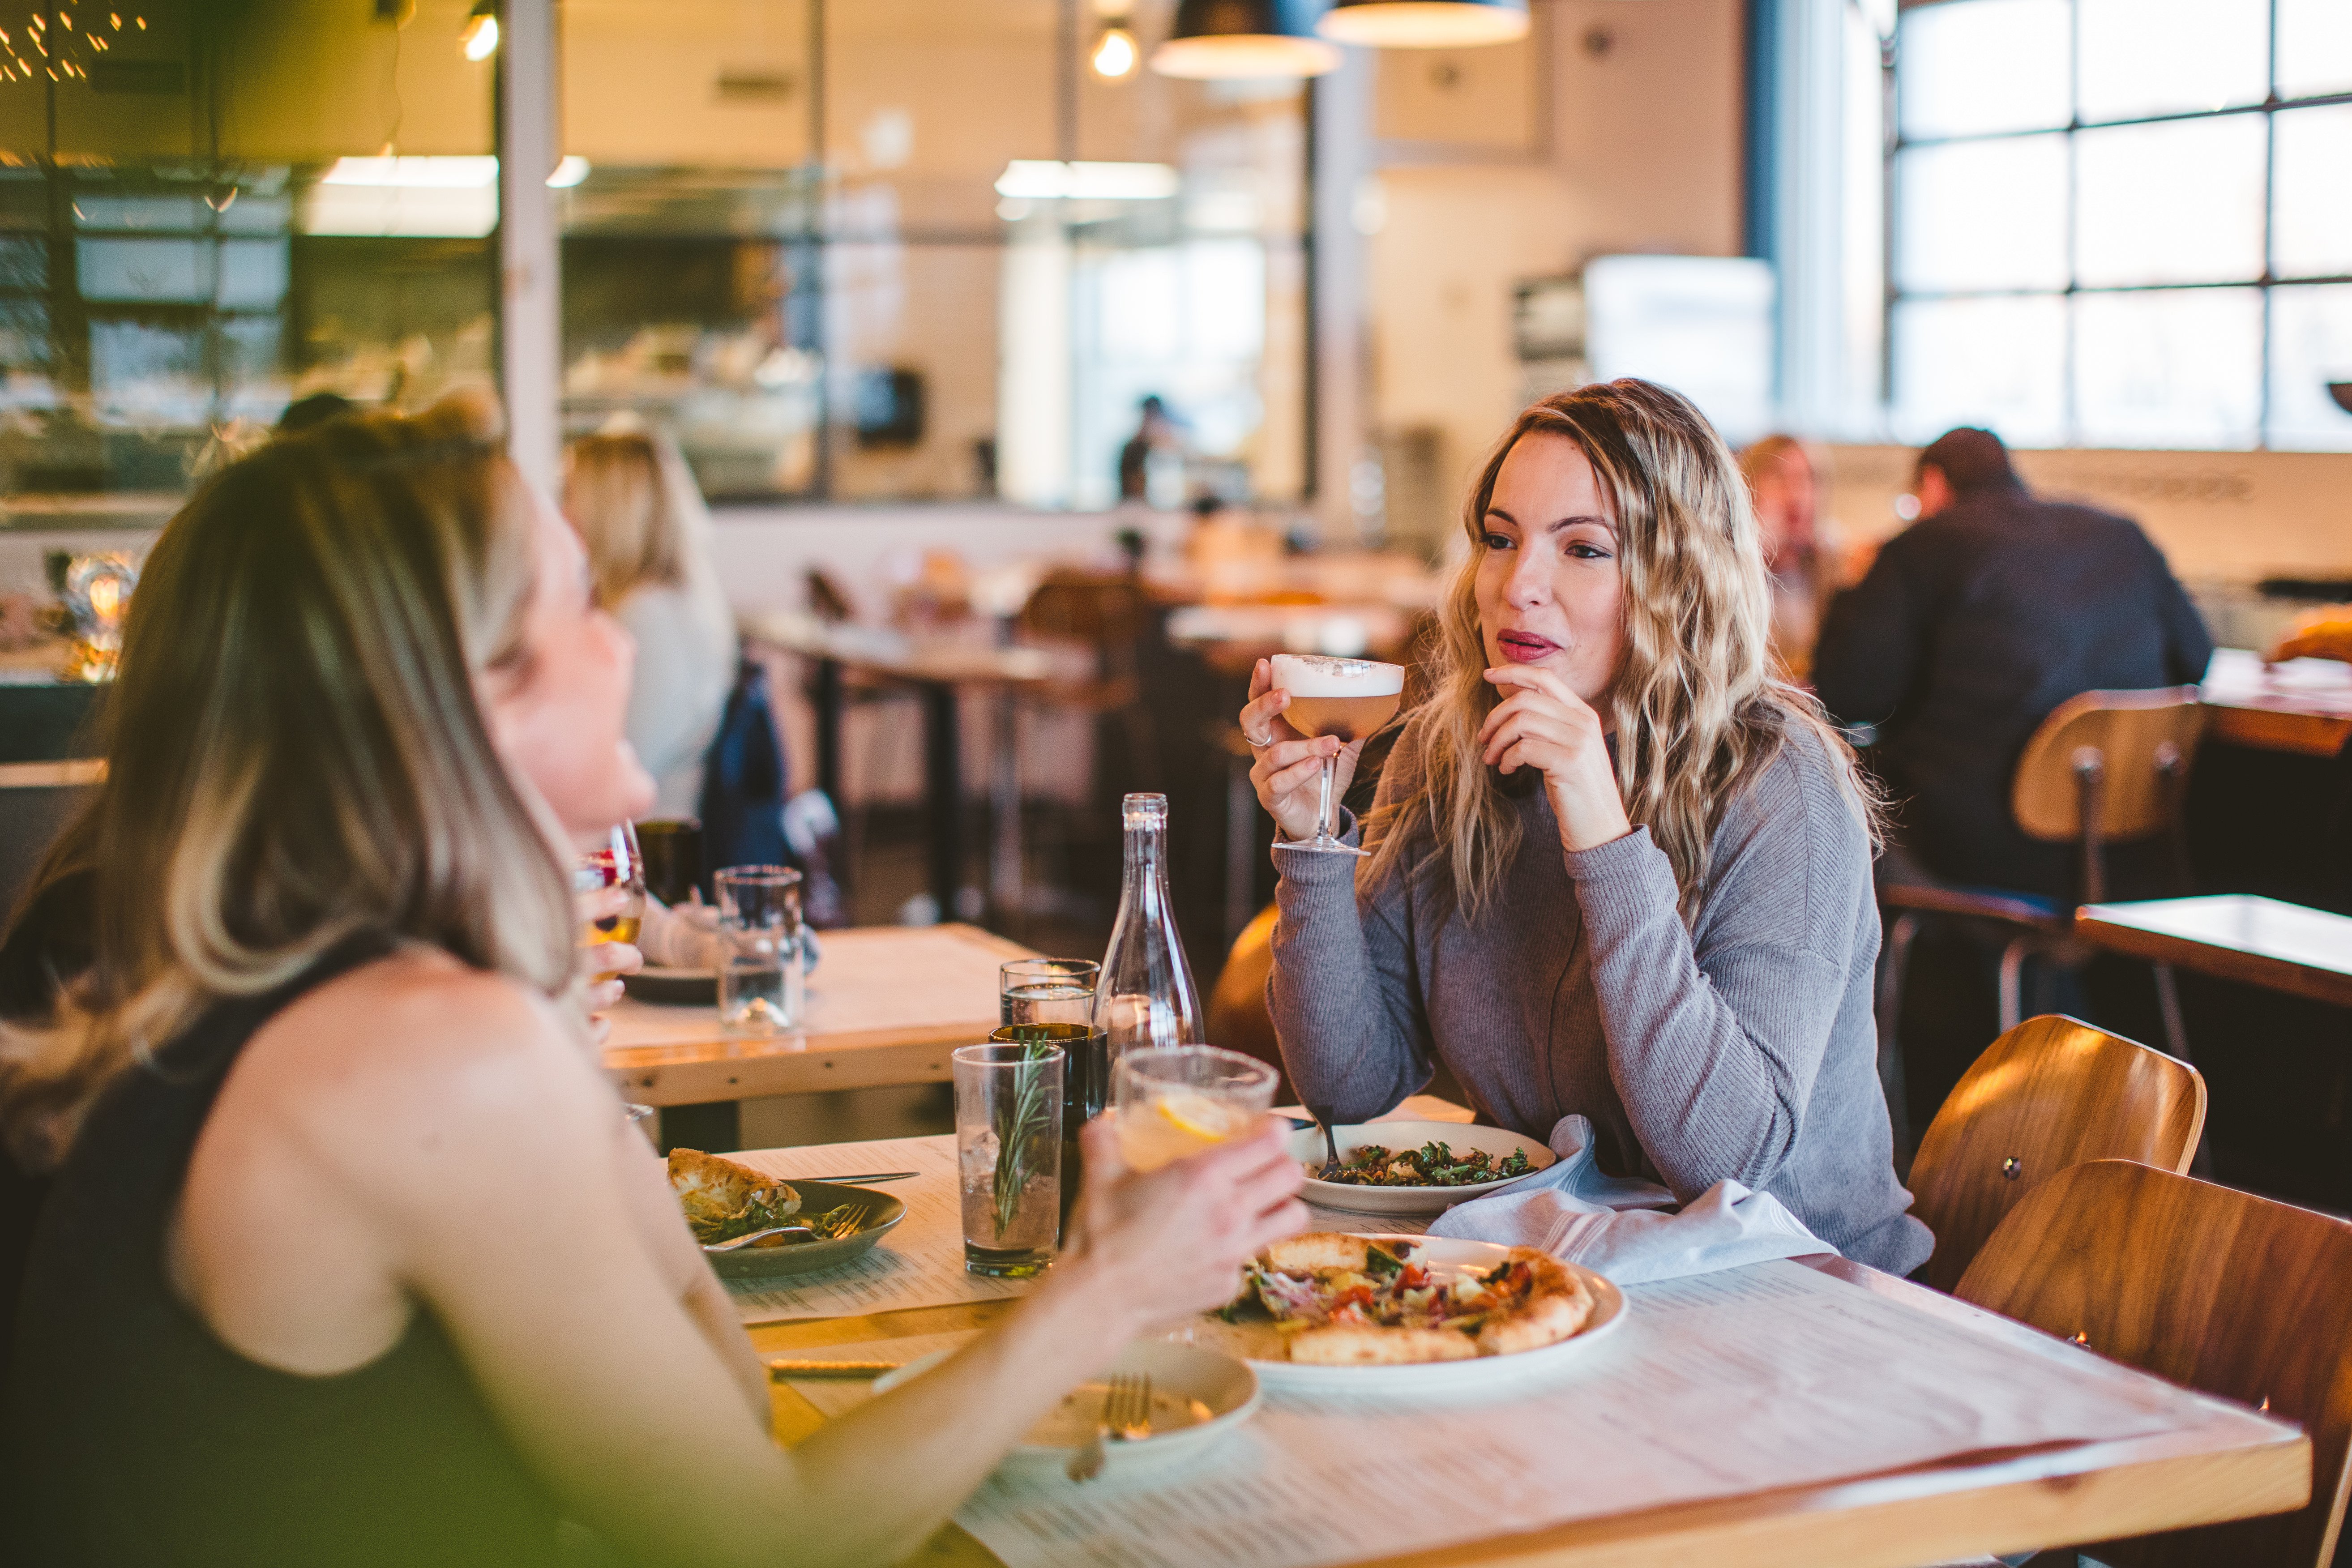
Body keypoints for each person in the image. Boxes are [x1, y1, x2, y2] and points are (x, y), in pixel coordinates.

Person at [0, 410, 1306, 1567]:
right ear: (466, 699)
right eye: (580, 601)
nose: (625, 637)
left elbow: (722, 1394)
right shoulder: (422, 1050)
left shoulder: (314, 971)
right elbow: (759, 1537)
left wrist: (558, 1050)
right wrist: (1109, 1290)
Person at [1244, 379, 1929, 1277]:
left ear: (1675, 578)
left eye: (1583, 548)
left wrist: (1602, 834)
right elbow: (1346, 1087)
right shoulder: (1445, 757)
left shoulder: (1778, 786)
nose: (1518, 584)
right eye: (1499, 538)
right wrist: (1313, 845)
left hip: (1801, 1293)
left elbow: (1727, 1164)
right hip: (1567, 1268)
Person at [1812, 427, 2215, 901]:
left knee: (1836, 784)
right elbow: (2197, 658)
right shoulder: (2122, 535)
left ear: (1933, 485)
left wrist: (1853, 591)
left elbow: (1848, 693)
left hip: (1985, 845)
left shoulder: (1923, 544)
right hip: (2132, 843)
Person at [562, 431, 738, 816]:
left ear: (609, 508)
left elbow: (617, 768)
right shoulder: (670, 601)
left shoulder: (648, 618)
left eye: (570, 493)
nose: (563, 511)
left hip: (641, 847)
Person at [1737, 435, 1832, 677]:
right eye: (1780, 479)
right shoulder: (1729, 574)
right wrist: (1753, 554)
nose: (1797, 496)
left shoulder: (1829, 569)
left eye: (1805, 480)